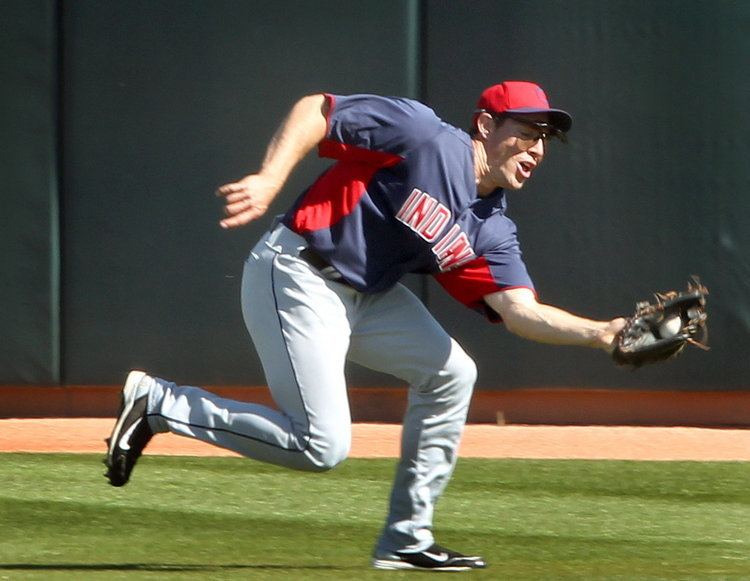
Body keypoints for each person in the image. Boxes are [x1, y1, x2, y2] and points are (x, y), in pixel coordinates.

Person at [105, 81, 626, 572]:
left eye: (545, 139)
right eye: (527, 132)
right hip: (298, 270)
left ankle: (407, 540)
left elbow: (521, 311)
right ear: (486, 124)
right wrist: (269, 177)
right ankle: (160, 404)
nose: (536, 149)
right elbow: (317, 110)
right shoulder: (422, 134)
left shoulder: (491, 227)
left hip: (368, 297)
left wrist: (602, 334)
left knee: (452, 374)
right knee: (321, 446)